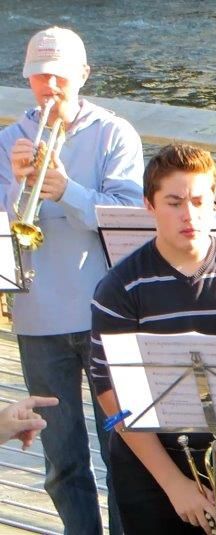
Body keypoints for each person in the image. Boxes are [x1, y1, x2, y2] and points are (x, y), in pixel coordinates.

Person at [89, 144, 216, 533]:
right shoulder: (120, 286)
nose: (189, 214)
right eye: (174, 202)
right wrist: (174, 484)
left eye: (199, 200)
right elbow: (108, 389)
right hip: (152, 469)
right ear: (149, 205)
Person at [0, 26, 144, 535]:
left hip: (108, 315)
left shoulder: (114, 134)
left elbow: (130, 220)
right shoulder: (8, 141)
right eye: (39, 76)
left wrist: (68, 190)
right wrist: (22, 195)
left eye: (60, 76)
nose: (50, 86)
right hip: (38, 315)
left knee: (124, 450)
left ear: (82, 75)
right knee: (60, 459)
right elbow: (5, 234)